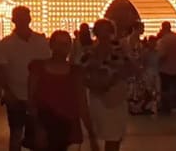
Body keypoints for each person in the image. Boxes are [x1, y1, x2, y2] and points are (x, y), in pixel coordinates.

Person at [28, 30, 97, 151]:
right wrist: (37, 127)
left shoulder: (76, 72)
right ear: (51, 45)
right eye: (59, 43)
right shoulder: (37, 68)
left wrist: (91, 133)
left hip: (70, 127)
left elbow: (82, 104)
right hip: (45, 125)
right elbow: (31, 100)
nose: (62, 48)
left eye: (66, 44)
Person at [0, 5, 51, 151]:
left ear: (30, 18)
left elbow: (47, 67)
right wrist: (7, 93)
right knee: (16, 134)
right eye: (19, 17)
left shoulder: (40, 41)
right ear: (13, 20)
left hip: (40, 96)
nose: (22, 20)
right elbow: (1, 71)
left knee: (39, 134)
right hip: (16, 96)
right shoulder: (6, 44)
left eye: (24, 17)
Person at [80, 19, 134, 151]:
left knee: (114, 137)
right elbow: (81, 74)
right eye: (101, 31)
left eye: (107, 31)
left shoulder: (121, 50)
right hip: (97, 99)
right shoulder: (89, 52)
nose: (104, 35)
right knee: (101, 135)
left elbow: (131, 69)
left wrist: (115, 78)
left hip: (116, 98)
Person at [155, 22, 176, 114]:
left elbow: (162, 55)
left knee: (165, 89)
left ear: (163, 28)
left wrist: (157, 62)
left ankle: (166, 107)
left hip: (165, 69)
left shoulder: (164, 40)